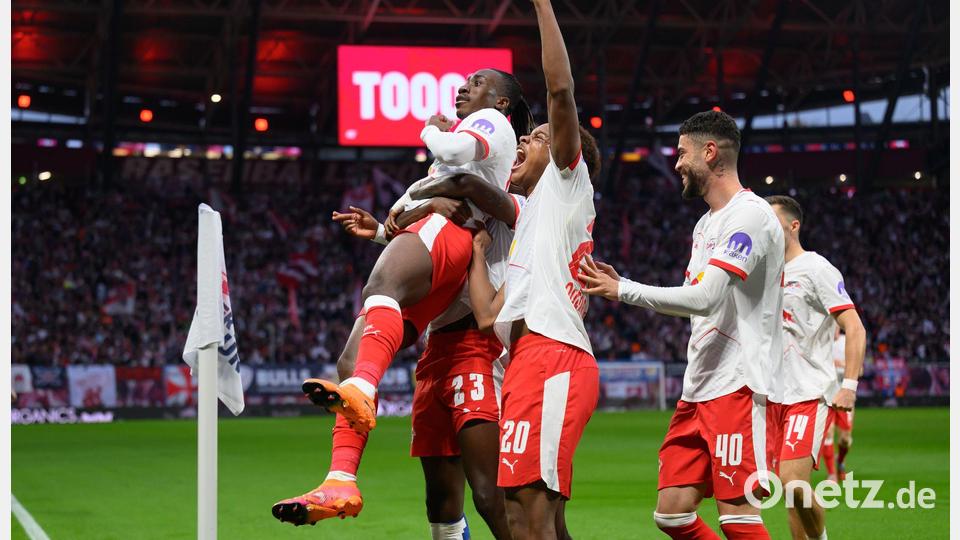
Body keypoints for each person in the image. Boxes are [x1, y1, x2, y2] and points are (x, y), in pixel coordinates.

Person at [272, 68, 534, 528]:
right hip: (441, 326)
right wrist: (387, 225)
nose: (465, 87)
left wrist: (430, 130)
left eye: (477, 82)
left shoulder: (495, 135)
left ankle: (362, 393)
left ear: (502, 104)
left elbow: (455, 173)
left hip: (473, 333)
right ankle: (340, 478)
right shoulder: (478, 163)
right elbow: (427, 204)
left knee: (379, 290)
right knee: (351, 362)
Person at [422, 1, 602, 536]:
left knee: (526, 512)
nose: (524, 139)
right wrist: (478, 253)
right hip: (524, 359)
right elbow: (486, 317)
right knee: (529, 511)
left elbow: (560, 90)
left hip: (553, 357)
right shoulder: (529, 225)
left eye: (539, 137)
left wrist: (542, 6)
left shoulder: (566, 186)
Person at [579, 110, 783, 539]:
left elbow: (706, 298)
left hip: (739, 385)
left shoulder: (750, 215)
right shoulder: (705, 224)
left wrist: (624, 290)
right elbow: (695, 302)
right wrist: (623, 285)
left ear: (709, 153)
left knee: (738, 517)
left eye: (681, 153)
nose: (676, 164)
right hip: (699, 388)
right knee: (672, 514)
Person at [766, 195, 866, 540]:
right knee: (791, 493)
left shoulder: (816, 268)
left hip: (806, 392)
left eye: (773, 222)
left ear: (794, 225)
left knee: (792, 482)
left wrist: (849, 386)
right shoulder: (764, 274)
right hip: (769, 397)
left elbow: (854, 326)